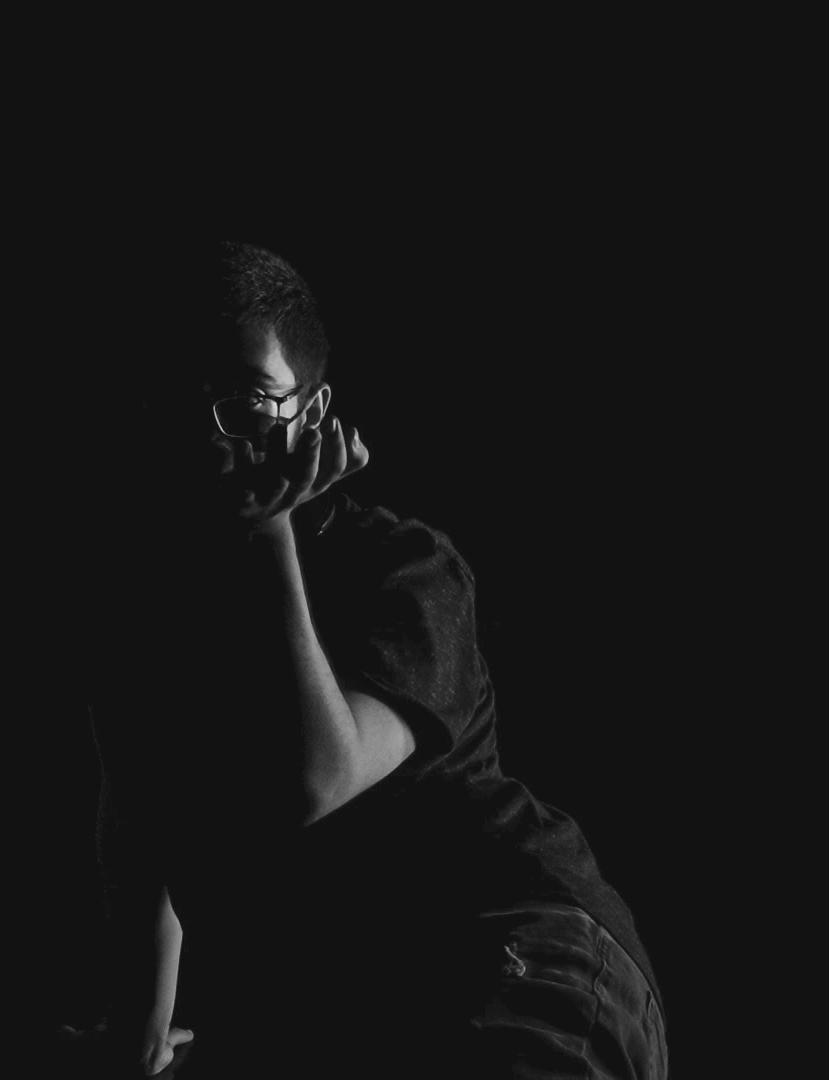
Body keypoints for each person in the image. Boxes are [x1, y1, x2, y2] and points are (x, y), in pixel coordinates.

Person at [86, 243, 668, 1078]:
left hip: (514, 945)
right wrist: (138, 1034)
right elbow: (140, 825)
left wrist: (267, 529)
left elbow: (313, 779)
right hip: (357, 1008)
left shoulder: (405, 570)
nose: (212, 439)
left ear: (313, 412)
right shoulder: (146, 609)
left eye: (246, 403)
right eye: (183, 400)